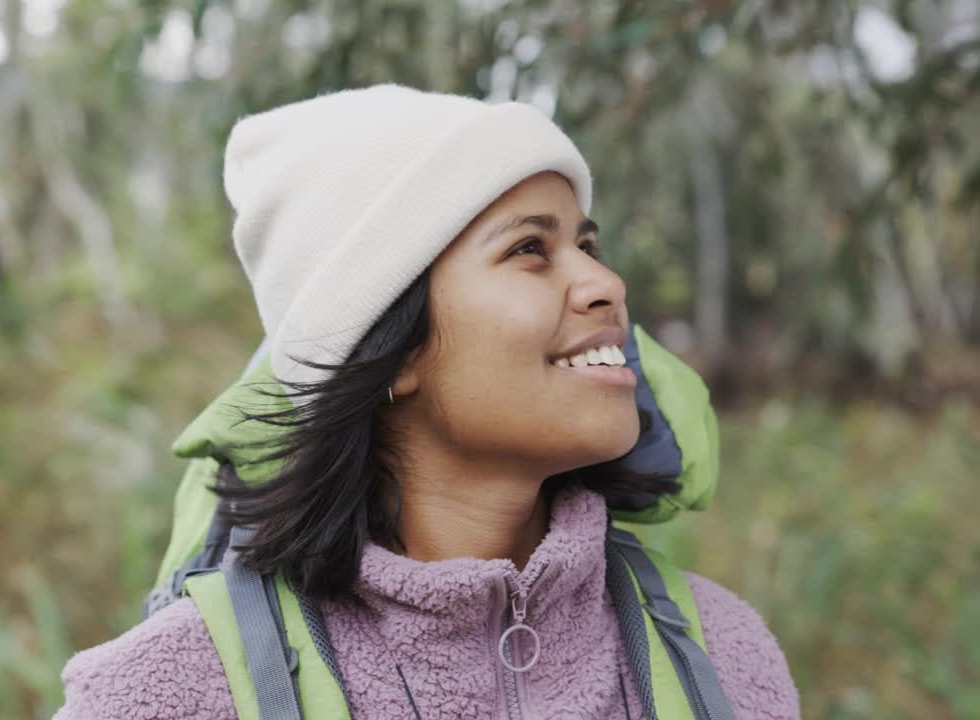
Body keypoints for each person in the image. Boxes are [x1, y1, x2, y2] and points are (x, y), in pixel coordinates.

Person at [53, 83, 800, 719]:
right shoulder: (168, 692)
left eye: (588, 245)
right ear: (395, 345)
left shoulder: (724, 658)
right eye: (530, 250)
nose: (607, 285)